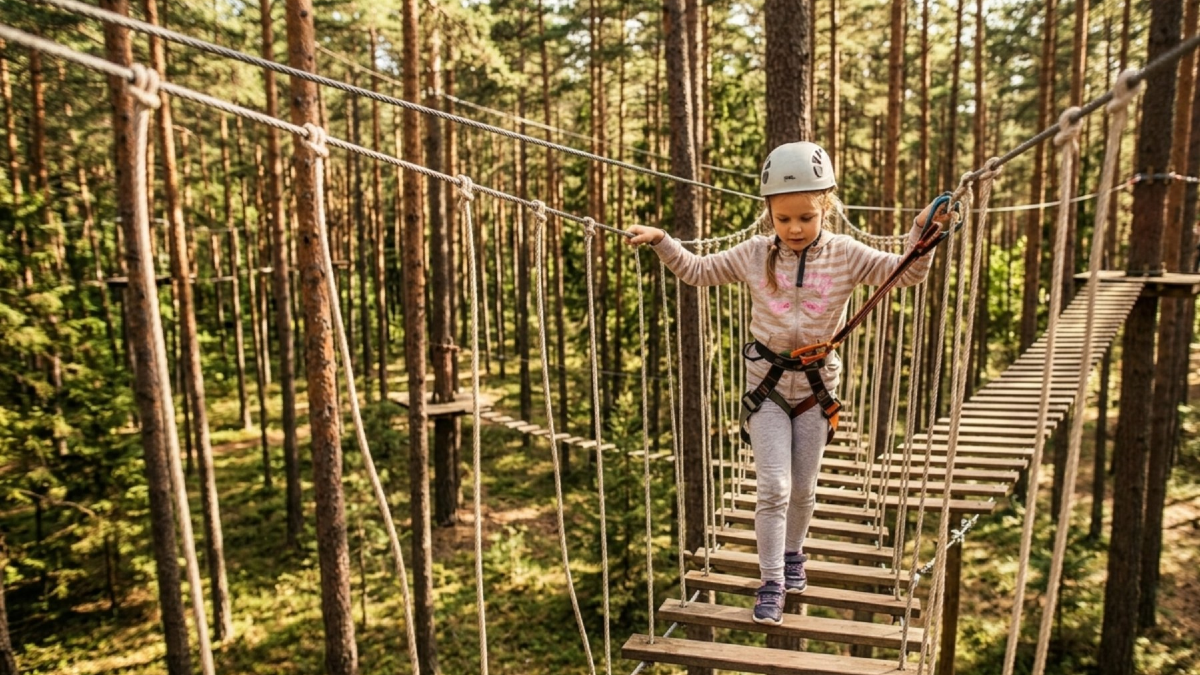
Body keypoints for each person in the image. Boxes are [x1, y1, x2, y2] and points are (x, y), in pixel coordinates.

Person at [625, 141, 949, 625]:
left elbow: (904, 274)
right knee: (774, 486)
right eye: (784, 219)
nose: (795, 229)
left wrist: (922, 233)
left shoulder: (847, 254)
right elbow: (696, 270)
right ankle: (772, 579)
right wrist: (662, 240)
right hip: (768, 389)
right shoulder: (755, 256)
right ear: (769, 216)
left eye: (806, 218)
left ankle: (794, 554)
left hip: (818, 392)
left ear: (826, 210)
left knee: (804, 490)